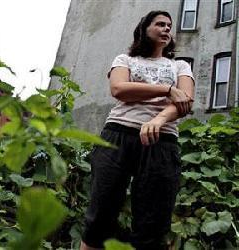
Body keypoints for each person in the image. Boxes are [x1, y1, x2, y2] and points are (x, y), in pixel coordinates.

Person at [80, 10, 195, 250]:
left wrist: (159, 119)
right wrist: (166, 90)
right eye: (160, 24)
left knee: (153, 225)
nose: (166, 29)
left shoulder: (180, 65)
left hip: (161, 141)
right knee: (100, 216)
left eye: (169, 26)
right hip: (118, 134)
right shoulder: (125, 60)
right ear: (144, 29)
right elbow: (119, 89)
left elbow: (186, 102)